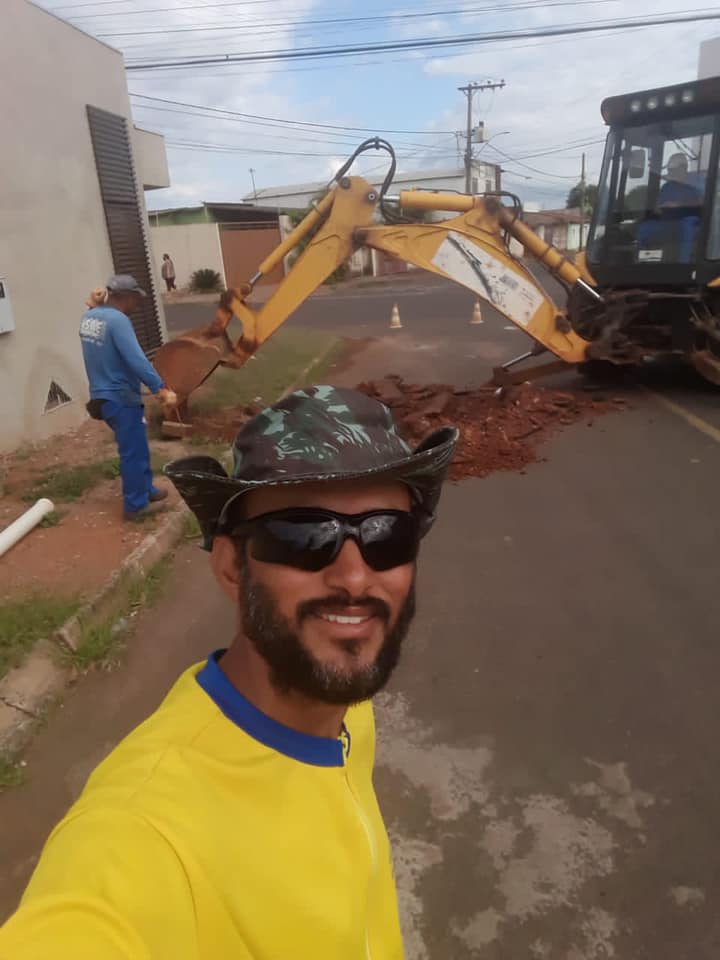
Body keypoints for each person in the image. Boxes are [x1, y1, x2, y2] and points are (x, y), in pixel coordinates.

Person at [0, 386, 458, 959]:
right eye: (304, 537)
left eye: (387, 534)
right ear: (230, 567)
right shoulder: (143, 836)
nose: (356, 578)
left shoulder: (343, 707)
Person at [79, 274, 176, 520]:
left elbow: (97, 324)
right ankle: (135, 506)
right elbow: (137, 360)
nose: (138, 304)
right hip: (120, 397)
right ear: (126, 297)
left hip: (101, 396)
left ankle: (146, 489)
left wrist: (94, 304)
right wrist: (160, 388)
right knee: (132, 451)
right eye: (136, 299)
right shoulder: (119, 321)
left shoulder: (89, 317)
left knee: (138, 446)